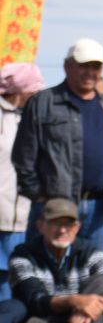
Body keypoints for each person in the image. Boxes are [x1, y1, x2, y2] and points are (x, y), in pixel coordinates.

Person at [11, 39, 103, 249]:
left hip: (99, 210)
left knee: (95, 276)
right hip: (55, 208)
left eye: (95, 66)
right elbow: (23, 156)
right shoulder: (43, 102)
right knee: (46, 271)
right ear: (67, 66)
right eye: (83, 66)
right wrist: (40, 197)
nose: (90, 72)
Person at [0, 197, 103, 323]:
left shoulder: (91, 253)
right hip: (40, 318)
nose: (62, 230)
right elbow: (36, 299)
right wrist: (75, 300)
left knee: (102, 282)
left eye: (68, 224)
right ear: (40, 226)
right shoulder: (23, 255)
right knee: (18, 310)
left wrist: (96, 304)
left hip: (75, 317)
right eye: (55, 223)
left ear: (77, 228)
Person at [0, 62, 45, 299]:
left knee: (16, 270)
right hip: (2, 211)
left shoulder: (28, 118)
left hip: (24, 213)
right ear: (20, 91)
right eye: (34, 91)